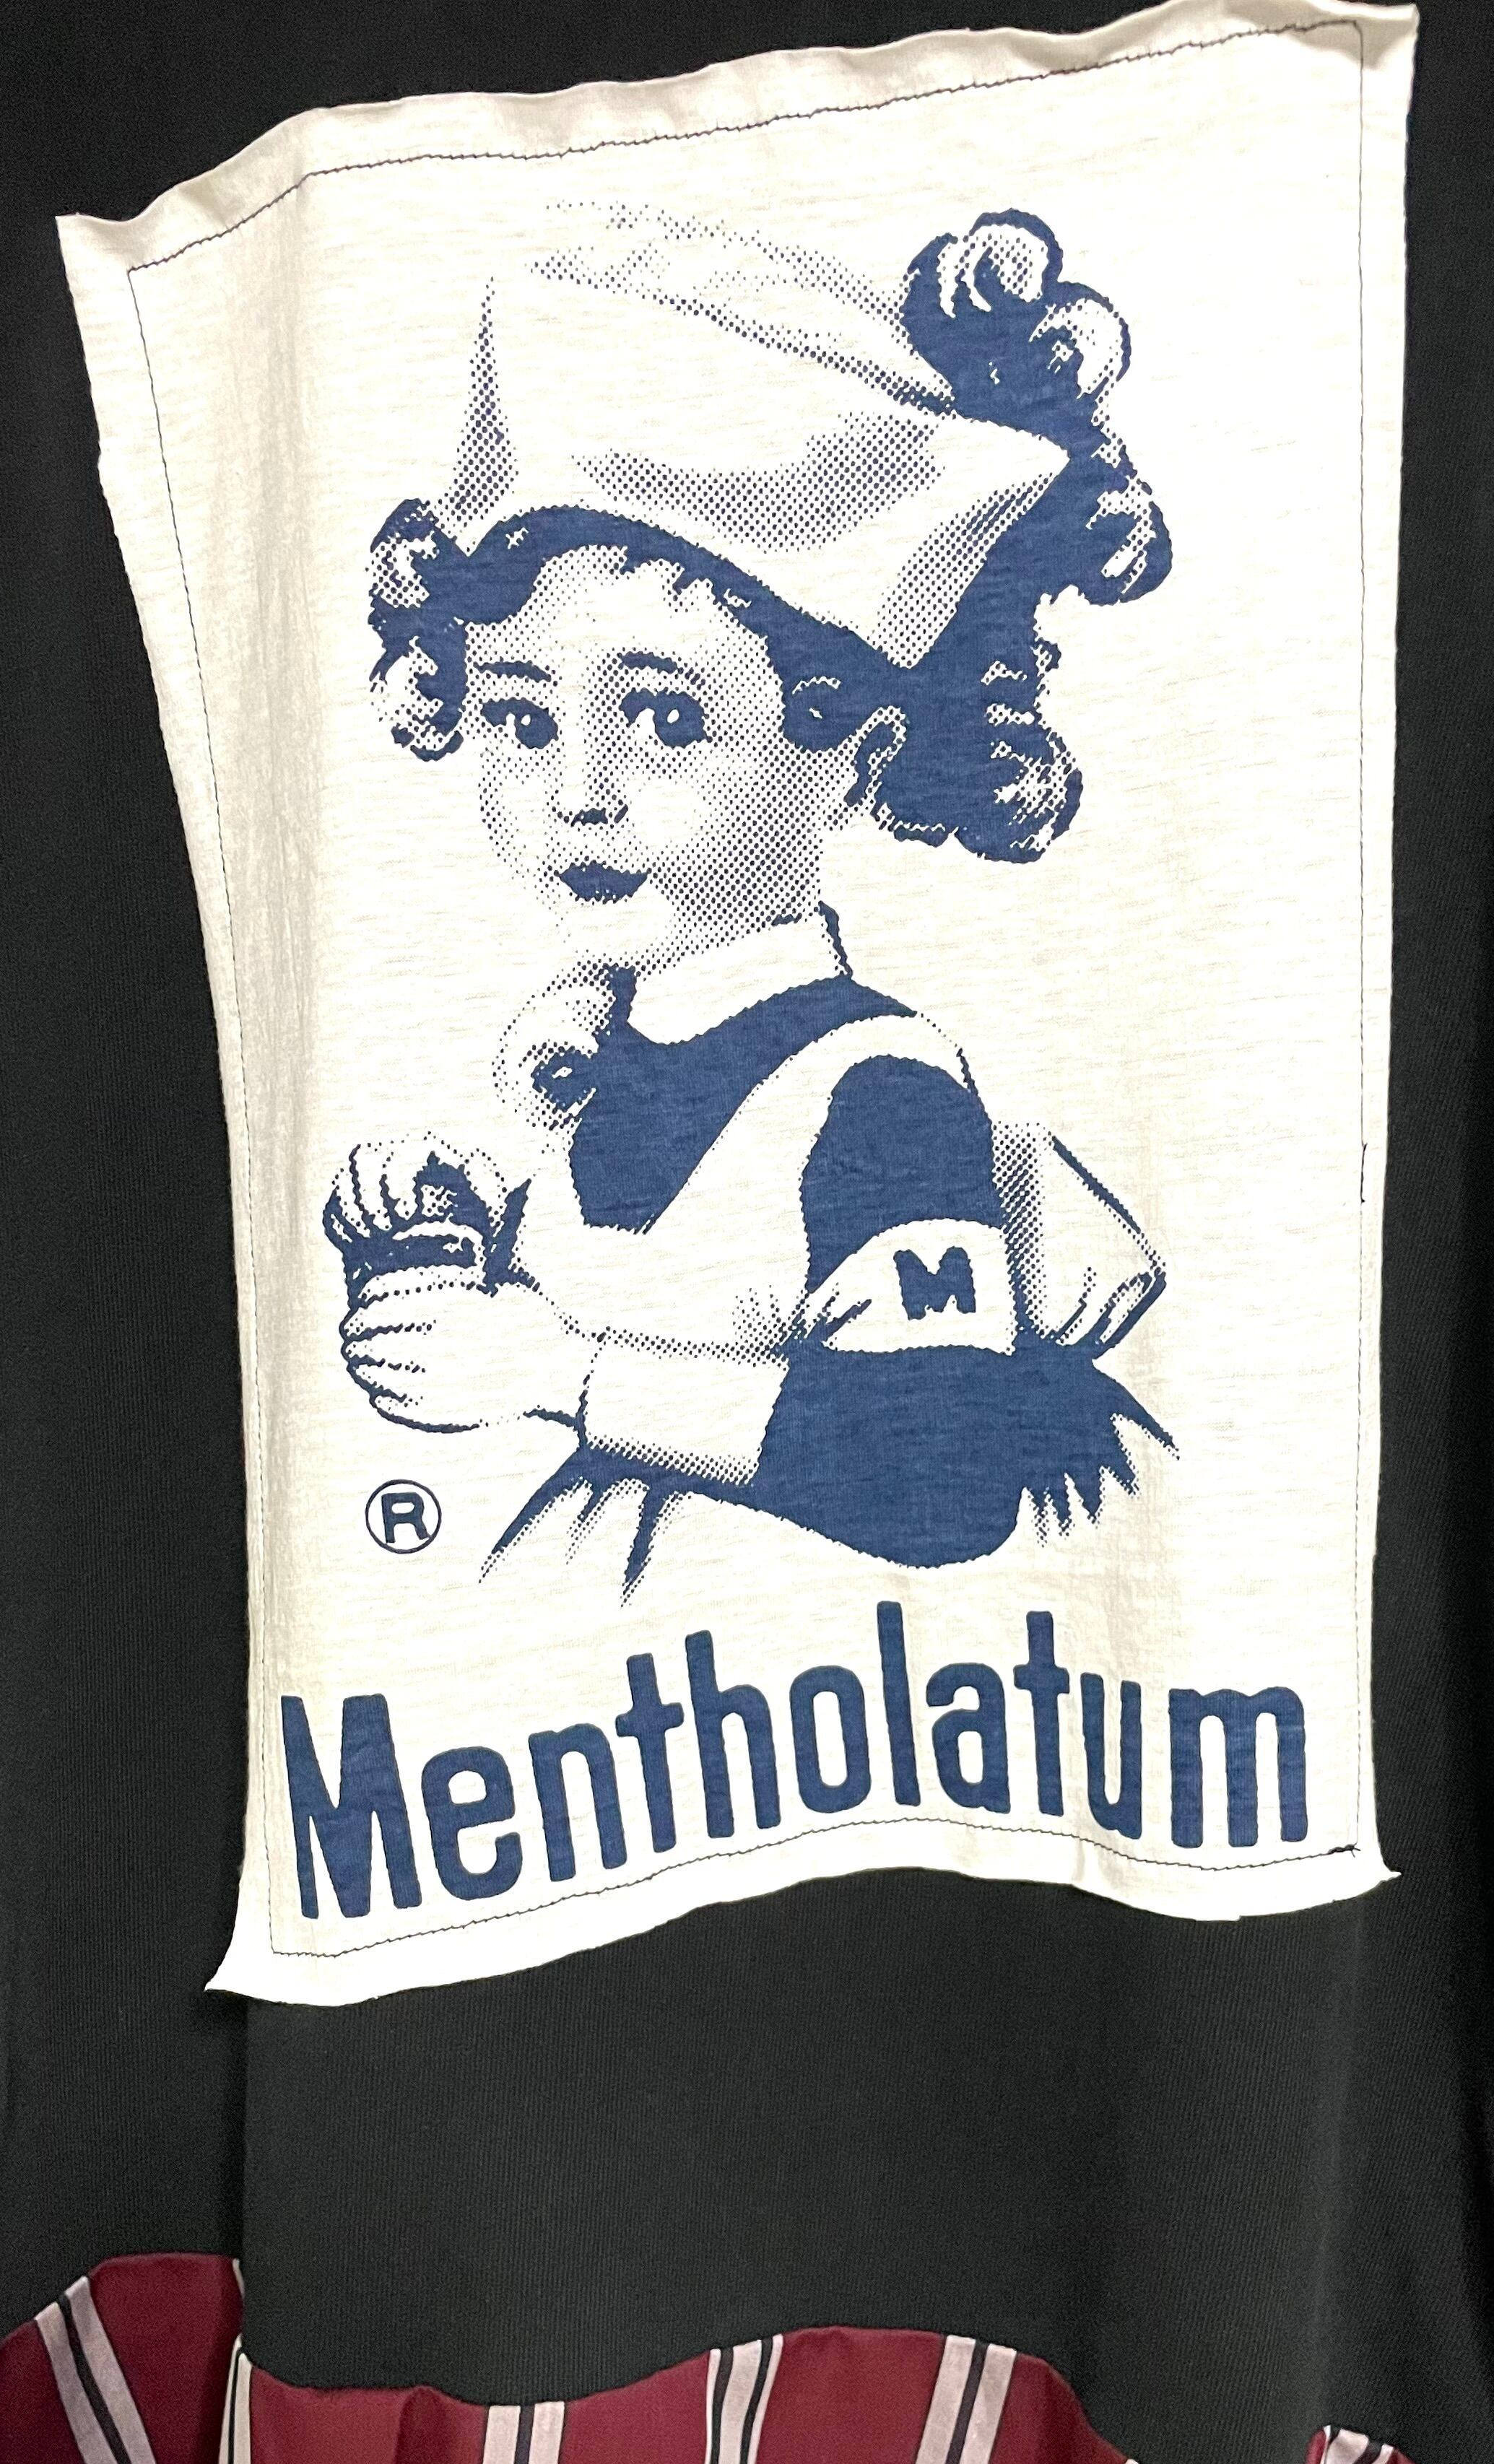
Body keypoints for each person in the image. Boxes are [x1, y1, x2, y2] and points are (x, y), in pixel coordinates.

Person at [325, 206, 1175, 1582]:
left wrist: (558, 1372)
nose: (578, 791)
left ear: (855, 754)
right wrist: (465, 1231)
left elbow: (939, 1476)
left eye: (666, 720)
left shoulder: (879, 1094)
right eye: (523, 719)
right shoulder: (598, 1061)